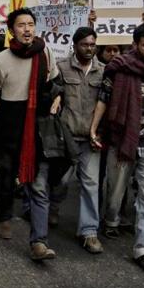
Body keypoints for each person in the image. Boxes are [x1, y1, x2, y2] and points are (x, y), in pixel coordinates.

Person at [90, 23, 144, 271]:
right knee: (115, 191)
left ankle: (143, 248)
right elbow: (104, 99)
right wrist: (93, 128)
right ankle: (111, 220)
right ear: (135, 44)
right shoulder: (117, 68)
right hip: (121, 138)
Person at [0, 8, 61, 261]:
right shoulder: (0, 60)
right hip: (9, 125)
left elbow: (54, 85)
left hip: (37, 128)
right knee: (7, 177)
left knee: (39, 185)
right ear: (11, 30)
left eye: (31, 24)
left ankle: (39, 242)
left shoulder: (46, 54)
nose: (27, 29)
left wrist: (57, 99)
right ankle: (4, 216)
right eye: (21, 25)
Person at [55, 27, 104, 254]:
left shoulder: (103, 72)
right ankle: (53, 206)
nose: (89, 48)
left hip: (90, 140)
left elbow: (106, 105)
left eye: (93, 44)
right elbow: (55, 98)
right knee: (61, 181)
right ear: (75, 45)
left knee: (91, 185)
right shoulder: (61, 67)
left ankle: (89, 232)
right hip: (66, 138)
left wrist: (99, 132)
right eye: (85, 44)